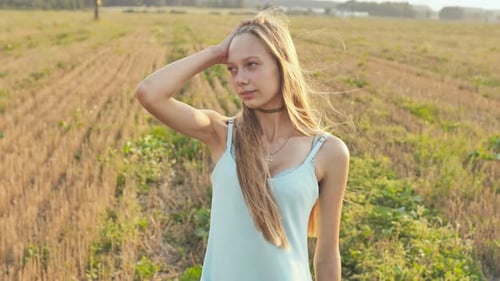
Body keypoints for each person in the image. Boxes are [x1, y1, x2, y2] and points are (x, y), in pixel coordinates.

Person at [135, 9, 349, 281]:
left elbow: (328, 257)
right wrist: (215, 53)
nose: (240, 80)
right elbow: (149, 93)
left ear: (282, 65)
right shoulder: (222, 135)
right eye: (232, 69)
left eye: (252, 64)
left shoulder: (328, 152)